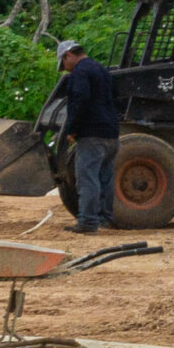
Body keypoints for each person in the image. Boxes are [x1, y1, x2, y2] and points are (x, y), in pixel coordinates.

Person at [56, 40, 121, 233]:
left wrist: (72, 128)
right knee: (105, 178)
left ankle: (88, 222)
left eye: (63, 63)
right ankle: (104, 219)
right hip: (111, 132)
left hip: (91, 134)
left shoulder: (80, 72)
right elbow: (116, 96)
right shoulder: (102, 69)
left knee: (87, 178)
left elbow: (80, 100)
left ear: (68, 55)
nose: (65, 68)